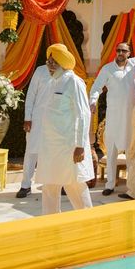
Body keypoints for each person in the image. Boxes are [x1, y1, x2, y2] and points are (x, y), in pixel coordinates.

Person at [89, 26, 135, 195]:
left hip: (131, 115)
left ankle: (131, 186)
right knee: (111, 150)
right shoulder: (107, 69)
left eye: (124, 50)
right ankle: (110, 184)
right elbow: (96, 87)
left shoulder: (134, 64)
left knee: (130, 151)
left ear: (129, 53)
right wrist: (93, 101)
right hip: (113, 116)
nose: (120, 53)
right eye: (118, 50)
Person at [36, 44, 93, 215]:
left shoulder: (74, 81)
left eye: (54, 62)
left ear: (63, 62)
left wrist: (80, 145)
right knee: (49, 185)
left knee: (74, 184)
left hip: (69, 146)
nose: (50, 66)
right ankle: (50, 225)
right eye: (48, 62)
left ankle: (90, 223)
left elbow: (83, 113)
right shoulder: (52, 82)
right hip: (51, 147)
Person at [16, 64, 54, 198]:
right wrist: (28, 118)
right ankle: (25, 185)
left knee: (55, 153)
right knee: (31, 151)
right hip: (37, 119)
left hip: (56, 121)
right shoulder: (41, 70)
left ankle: (54, 185)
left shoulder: (67, 73)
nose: (52, 62)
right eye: (50, 58)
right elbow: (31, 95)